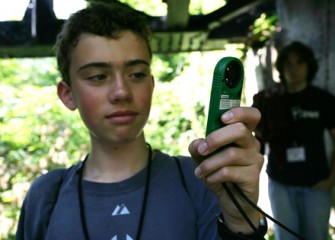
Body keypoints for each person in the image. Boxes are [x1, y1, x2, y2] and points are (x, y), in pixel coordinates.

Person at [15, 1, 266, 239]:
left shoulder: (204, 179)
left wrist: (240, 219)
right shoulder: (46, 196)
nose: (122, 92)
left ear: (151, 84)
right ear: (68, 95)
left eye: (136, 74)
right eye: (98, 76)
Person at [252, 41, 335, 240]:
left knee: (316, 236)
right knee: (286, 237)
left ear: (309, 66)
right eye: (289, 64)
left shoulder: (322, 99)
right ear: (281, 68)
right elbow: (256, 137)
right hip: (281, 183)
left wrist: (332, 179)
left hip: (316, 183)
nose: (294, 68)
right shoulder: (270, 99)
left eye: (300, 63)